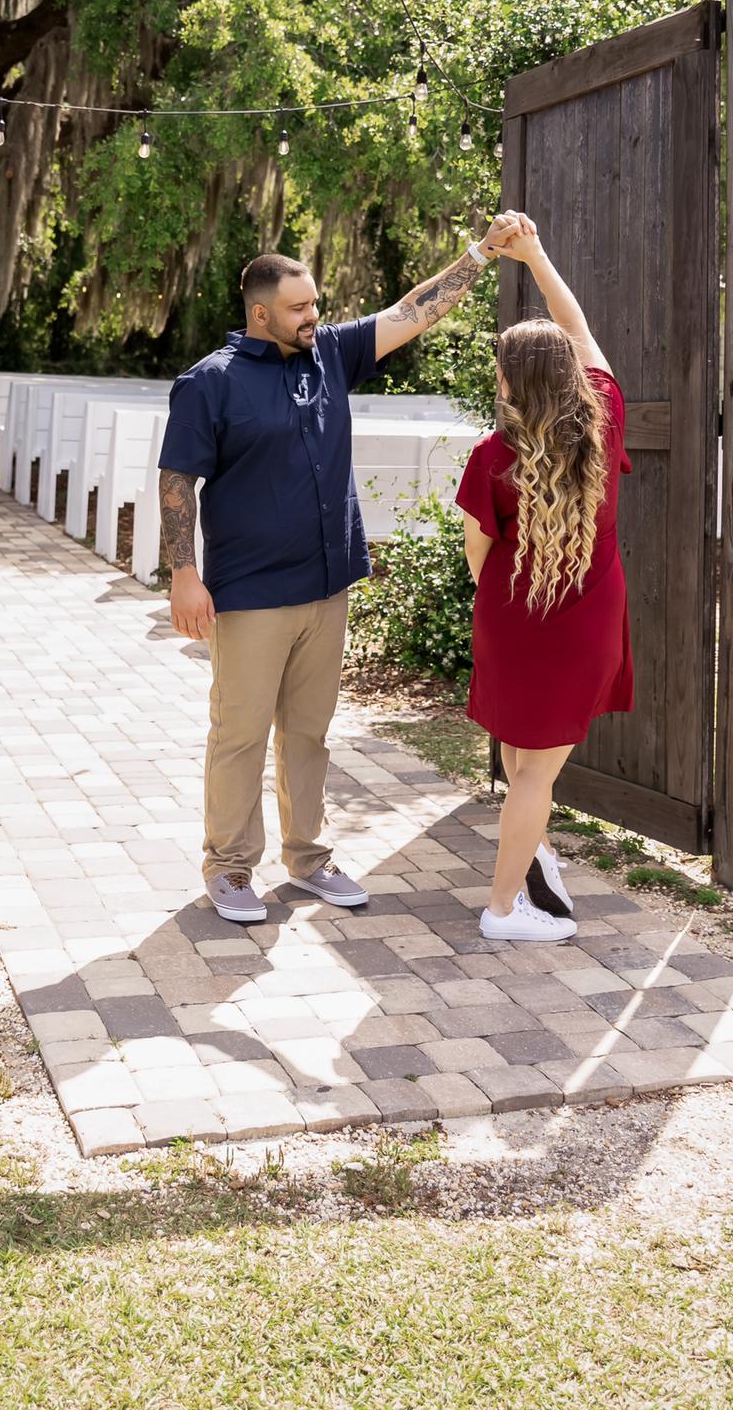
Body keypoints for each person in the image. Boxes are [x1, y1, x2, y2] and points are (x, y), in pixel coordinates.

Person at [159, 219, 519, 924]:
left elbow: (414, 310)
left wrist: (480, 253)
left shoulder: (328, 355)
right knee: (239, 732)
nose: (314, 317)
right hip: (252, 593)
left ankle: (309, 859)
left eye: (316, 304)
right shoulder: (210, 384)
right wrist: (182, 573)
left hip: (328, 587)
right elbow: (178, 480)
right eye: (300, 308)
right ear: (261, 312)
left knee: (309, 733)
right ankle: (230, 868)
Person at [455, 211, 634, 945]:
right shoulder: (605, 422)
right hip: (582, 623)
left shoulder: (490, 454)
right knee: (537, 771)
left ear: (510, 382)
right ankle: (502, 911)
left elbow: (478, 553)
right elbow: (578, 324)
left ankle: (532, 858)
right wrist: (535, 257)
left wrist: (502, 608)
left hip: (509, 617)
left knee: (519, 754)